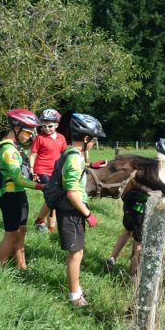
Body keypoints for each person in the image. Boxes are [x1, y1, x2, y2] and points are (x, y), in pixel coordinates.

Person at [56, 113, 106, 307]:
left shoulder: (70, 153)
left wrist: (91, 165)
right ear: (86, 139)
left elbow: (73, 170)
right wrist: (88, 214)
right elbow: (72, 193)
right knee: (75, 253)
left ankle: (75, 289)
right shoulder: (75, 159)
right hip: (72, 210)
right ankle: (75, 296)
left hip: (69, 209)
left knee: (77, 252)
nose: (94, 144)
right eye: (93, 140)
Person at [0, 108, 46, 269]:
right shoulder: (7, 150)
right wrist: (41, 186)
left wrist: (33, 177)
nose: (31, 136)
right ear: (16, 128)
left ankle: (21, 265)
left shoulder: (16, 147)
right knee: (10, 234)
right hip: (9, 196)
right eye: (28, 133)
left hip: (19, 194)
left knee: (21, 230)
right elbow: (17, 179)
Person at [30, 109, 67, 232]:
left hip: (56, 171)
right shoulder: (40, 138)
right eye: (44, 126)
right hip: (42, 170)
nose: (47, 129)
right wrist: (31, 170)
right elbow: (33, 154)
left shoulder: (61, 138)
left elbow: (64, 155)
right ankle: (40, 221)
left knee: (56, 198)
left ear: (56, 124)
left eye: (50, 126)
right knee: (52, 196)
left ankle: (51, 227)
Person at [106, 189, 149, 276]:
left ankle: (112, 258)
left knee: (127, 231)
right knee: (138, 240)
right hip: (139, 209)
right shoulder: (150, 176)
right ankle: (134, 273)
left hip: (128, 205)